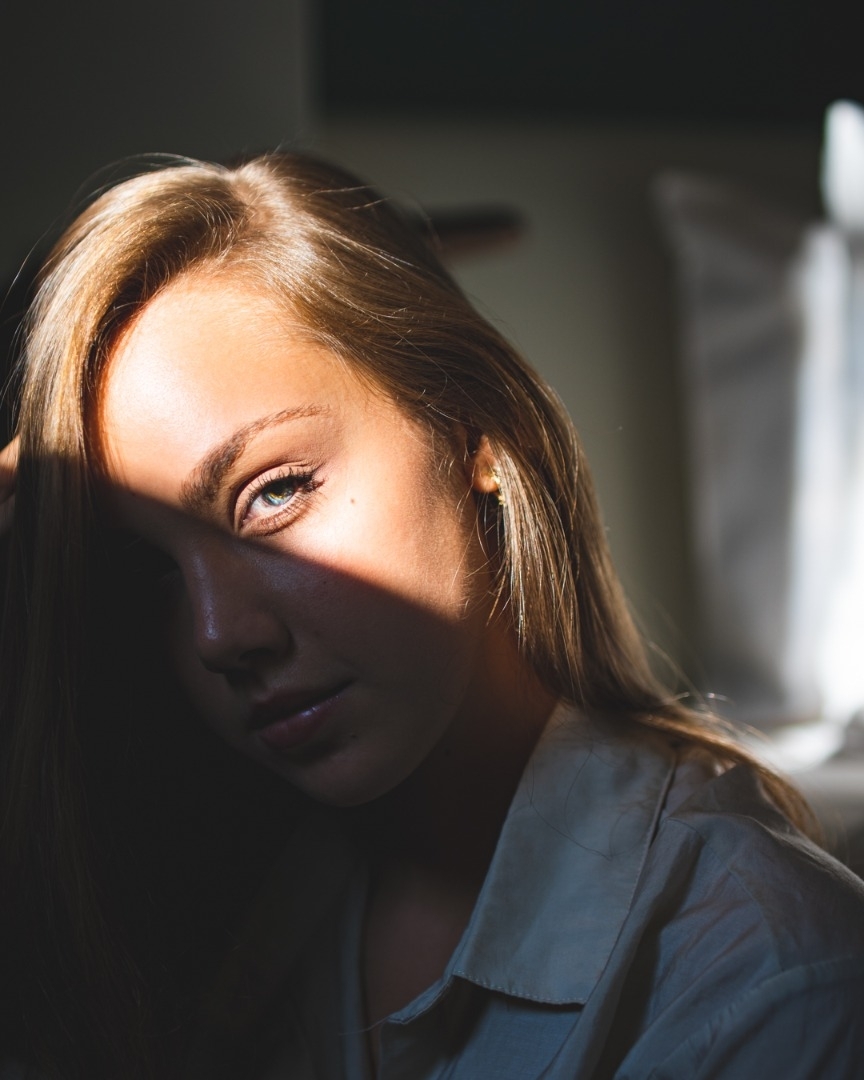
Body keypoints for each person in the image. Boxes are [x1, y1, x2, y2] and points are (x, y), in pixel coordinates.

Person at [1, 152, 863, 1080]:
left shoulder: (769, 981)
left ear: (472, 425)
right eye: (152, 570)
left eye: (275, 491)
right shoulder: (208, 908)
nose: (218, 636)